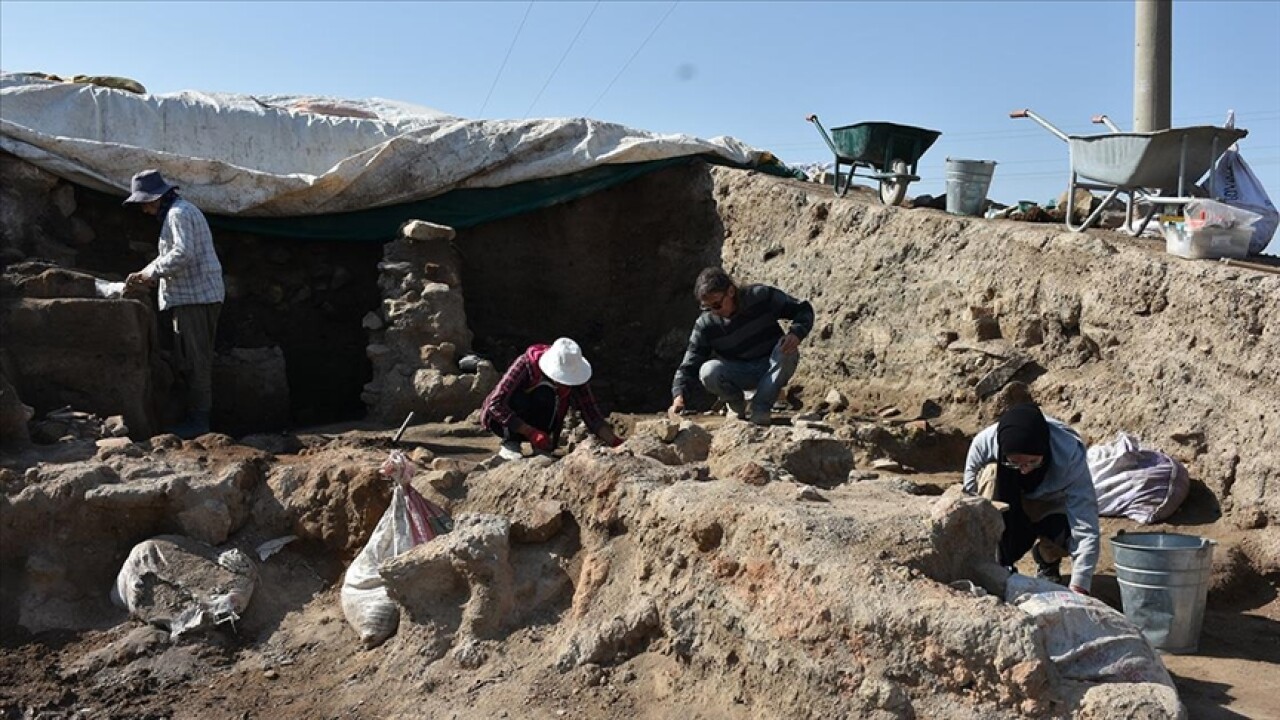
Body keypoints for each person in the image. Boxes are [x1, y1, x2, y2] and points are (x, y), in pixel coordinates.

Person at [123, 170, 224, 438]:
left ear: (156, 198)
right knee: (191, 360)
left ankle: (199, 422)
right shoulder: (179, 212)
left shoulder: (178, 214)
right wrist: (149, 272)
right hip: (193, 296)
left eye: (144, 203)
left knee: (196, 361)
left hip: (196, 298)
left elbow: (182, 253)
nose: (144, 210)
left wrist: (150, 274)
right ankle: (196, 417)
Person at [962, 402, 1100, 595]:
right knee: (990, 474)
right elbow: (968, 502)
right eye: (1015, 462)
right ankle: (996, 564)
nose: (1025, 470)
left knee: (1067, 535)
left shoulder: (1069, 454)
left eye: (1032, 462)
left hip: (1050, 503)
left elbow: (1086, 525)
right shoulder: (983, 444)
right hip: (1008, 500)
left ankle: (1047, 557)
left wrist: (1080, 585)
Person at [667, 267, 814, 426]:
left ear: (730, 291)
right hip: (739, 372)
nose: (714, 312)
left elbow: (803, 309)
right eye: (707, 308)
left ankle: (761, 408)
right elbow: (689, 363)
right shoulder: (706, 324)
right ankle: (736, 406)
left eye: (717, 305)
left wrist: (796, 334)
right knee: (708, 371)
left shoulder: (760, 296)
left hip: (772, 363)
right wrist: (678, 396)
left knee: (787, 350)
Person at [480, 337, 623, 460]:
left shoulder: (576, 374)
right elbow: (494, 404)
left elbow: (591, 412)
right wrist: (530, 432)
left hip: (541, 424)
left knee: (551, 398)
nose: (566, 384)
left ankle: (540, 446)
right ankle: (512, 440)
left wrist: (615, 441)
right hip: (503, 422)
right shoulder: (526, 364)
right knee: (543, 393)